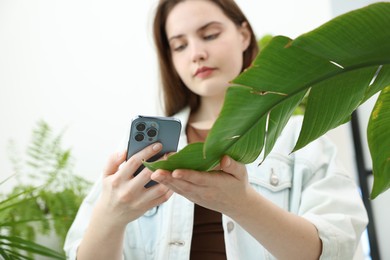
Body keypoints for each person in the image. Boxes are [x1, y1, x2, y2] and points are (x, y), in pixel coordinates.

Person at [64, 0, 368, 259]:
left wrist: (241, 203)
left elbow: (335, 247)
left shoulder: (301, 140)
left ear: (244, 35)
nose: (195, 53)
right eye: (180, 46)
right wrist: (111, 214)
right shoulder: (139, 151)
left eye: (209, 35)